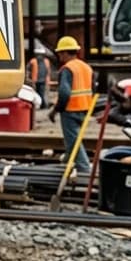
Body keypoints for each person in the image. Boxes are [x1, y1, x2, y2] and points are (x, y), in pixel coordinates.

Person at [48, 35, 94, 174]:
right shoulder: (86, 67)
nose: (59, 56)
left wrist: (55, 110)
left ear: (65, 52)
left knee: (74, 142)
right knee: (74, 139)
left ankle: (84, 169)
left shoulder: (67, 69)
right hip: (85, 109)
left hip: (71, 110)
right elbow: (93, 89)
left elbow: (64, 93)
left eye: (60, 53)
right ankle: (67, 161)